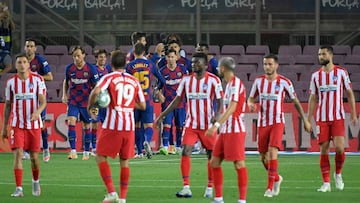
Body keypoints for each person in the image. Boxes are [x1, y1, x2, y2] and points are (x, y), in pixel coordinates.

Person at [155, 52, 223, 198]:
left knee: (211, 156)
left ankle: (210, 187)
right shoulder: (186, 80)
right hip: (191, 124)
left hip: (207, 125)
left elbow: (220, 101)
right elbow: (177, 100)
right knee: (186, 151)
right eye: (192, 62)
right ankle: (186, 187)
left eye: (197, 62)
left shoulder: (214, 80)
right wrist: (162, 115)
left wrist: (217, 117)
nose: (193, 65)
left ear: (205, 65)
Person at [247, 54, 311, 197]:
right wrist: (250, 104)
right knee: (263, 157)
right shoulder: (258, 82)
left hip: (277, 122)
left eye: (270, 64)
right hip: (263, 123)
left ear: (276, 65)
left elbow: (295, 102)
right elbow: (250, 98)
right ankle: (277, 178)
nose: (267, 67)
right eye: (265, 64)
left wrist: (305, 120)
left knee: (272, 153)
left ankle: (269, 188)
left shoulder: (284, 82)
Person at [87, 50, 146, 203]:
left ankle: (112, 191)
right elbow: (143, 105)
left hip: (113, 125)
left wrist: (90, 106)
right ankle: (123, 198)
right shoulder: (134, 81)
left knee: (100, 155)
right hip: (129, 126)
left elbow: (96, 91)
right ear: (126, 64)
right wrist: (127, 104)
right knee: (124, 161)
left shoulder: (109, 77)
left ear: (111, 63)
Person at [307, 45, 358, 192]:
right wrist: (308, 118)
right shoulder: (316, 76)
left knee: (340, 149)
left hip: (338, 117)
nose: (320, 57)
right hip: (322, 118)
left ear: (330, 55)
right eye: (319, 55)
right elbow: (313, 97)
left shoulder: (341, 73)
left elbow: (349, 93)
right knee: (323, 150)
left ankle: (338, 174)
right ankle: (326, 183)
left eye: (323, 54)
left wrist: (354, 114)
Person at [1, 53, 46, 197]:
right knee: (18, 154)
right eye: (19, 62)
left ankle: (35, 181)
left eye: (24, 62)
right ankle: (19, 189)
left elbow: (43, 101)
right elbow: (8, 105)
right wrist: (4, 128)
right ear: (16, 65)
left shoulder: (38, 80)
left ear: (28, 64)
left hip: (33, 125)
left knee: (34, 157)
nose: (21, 64)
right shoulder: (10, 82)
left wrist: (37, 112)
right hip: (17, 124)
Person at [205, 57, 248, 203]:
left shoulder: (236, 84)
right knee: (214, 162)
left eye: (219, 68)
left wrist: (216, 125)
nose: (218, 70)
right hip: (226, 130)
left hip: (235, 129)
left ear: (223, 68)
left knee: (239, 163)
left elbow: (232, 108)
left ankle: (242, 200)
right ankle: (218, 198)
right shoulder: (228, 85)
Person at [125, 42, 164, 159]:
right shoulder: (151, 65)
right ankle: (147, 141)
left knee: (136, 126)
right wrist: (157, 89)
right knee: (148, 125)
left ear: (134, 52)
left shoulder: (129, 66)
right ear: (144, 52)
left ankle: (139, 152)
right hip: (147, 99)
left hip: (135, 101)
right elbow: (162, 80)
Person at [62, 46, 99, 160]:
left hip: (86, 102)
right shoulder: (69, 68)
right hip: (73, 100)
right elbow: (66, 81)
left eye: (78, 55)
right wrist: (64, 94)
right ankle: (73, 151)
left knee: (86, 126)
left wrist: (94, 100)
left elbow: (96, 85)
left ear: (83, 55)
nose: (76, 58)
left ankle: (86, 152)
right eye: (74, 56)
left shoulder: (91, 69)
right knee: (71, 121)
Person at [23, 38, 53, 162]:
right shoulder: (22, 61)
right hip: (25, 96)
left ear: (35, 48)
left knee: (41, 125)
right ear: (25, 48)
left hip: (39, 97)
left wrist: (35, 77)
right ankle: (26, 150)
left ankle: (46, 148)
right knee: (25, 124)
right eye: (27, 46)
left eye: (31, 46)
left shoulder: (40, 61)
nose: (29, 48)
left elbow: (50, 77)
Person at [158, 48, 188, 155]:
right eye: (168, 57)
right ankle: (165, 146)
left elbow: (187, 84)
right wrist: (159, 94)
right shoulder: (162, 71)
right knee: (167, 124)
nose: (170, 59)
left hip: (180, 103)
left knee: (180, 125)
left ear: (176, 57)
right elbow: (158, 87)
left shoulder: (182, 69)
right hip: (167, 103)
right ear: (166, 58)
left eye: (172, 57)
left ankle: (179, 146)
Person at [90, 49, 112, 156]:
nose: (102, 59)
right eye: (100, 57)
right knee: (94, 123)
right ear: (96, 58)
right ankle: (94, 147)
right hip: (96, 101)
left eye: (104, 57)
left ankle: (106, 146)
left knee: (106, 124)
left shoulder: (108, 68)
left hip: (106, 101)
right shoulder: (93, 69)